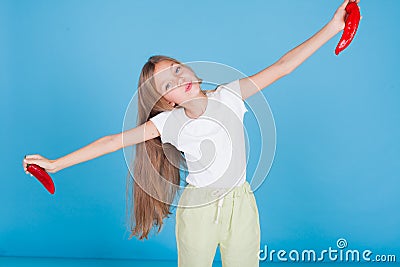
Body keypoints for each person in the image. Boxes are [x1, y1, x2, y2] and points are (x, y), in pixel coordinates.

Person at [22, 1, 361, 266]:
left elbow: (284, 65)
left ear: (191, 70)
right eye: (168, 83)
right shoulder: (168, 123)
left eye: (177, 69)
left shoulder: (231, 95)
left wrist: (333, 26)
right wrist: (56, 164)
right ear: (166, 100)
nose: (178, 78)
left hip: (241, 204)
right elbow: (112, 142)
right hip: (198, 208)